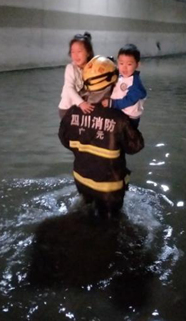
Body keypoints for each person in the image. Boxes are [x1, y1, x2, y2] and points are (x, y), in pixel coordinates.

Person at [59, 55, 144, 219]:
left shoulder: (73, 112)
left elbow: (65, 139)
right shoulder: (118, 118)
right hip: (109, 189)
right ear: (113, 82)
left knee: (84, 214)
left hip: (81, 180)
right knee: (110, 224)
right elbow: (135, 146)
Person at [101, 44, 147, 128]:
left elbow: (129, 100)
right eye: (121, 63)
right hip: (118, 111)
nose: (124, 68)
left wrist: (112, 103)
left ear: (137, 65)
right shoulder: (120, 76)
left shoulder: (135, 83)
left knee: (125, 137)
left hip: (129, 117)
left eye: (129, 64)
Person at [58, 32, 95, 118]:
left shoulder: (93, 68)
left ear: (88, 53)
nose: (75, 55)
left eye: (79, 51)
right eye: (72, 52)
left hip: (82, 108)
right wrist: (81, 103)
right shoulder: (70, 68)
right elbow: (69, 87)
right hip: (67, 109)